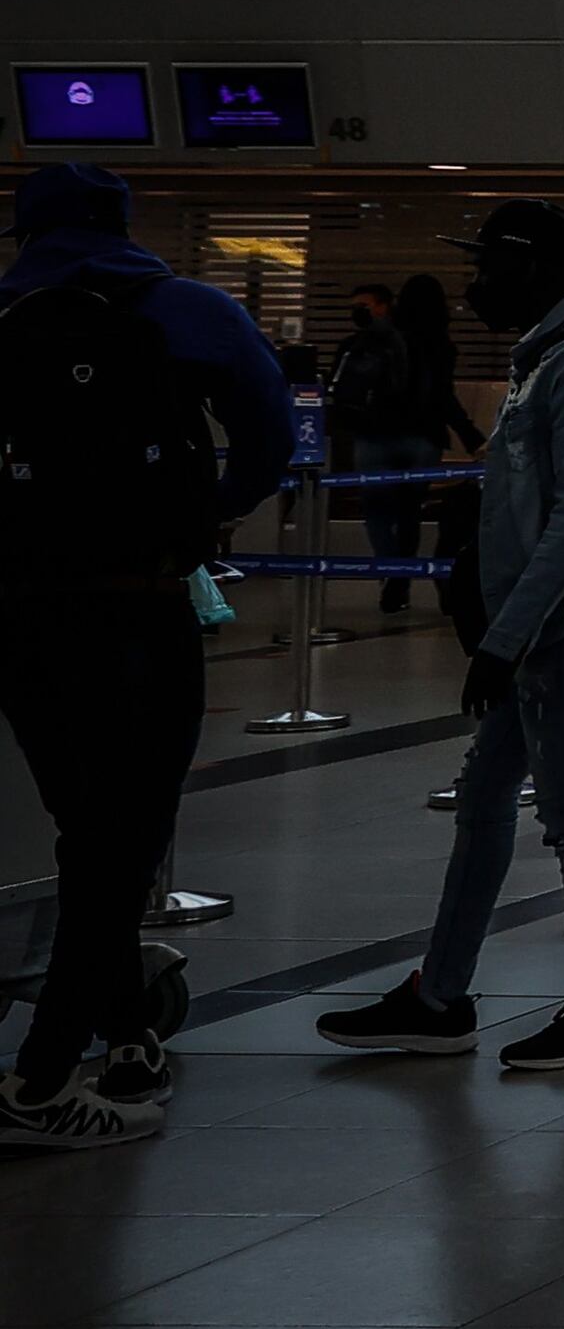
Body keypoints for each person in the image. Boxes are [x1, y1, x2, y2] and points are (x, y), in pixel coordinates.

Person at [317, 202, 564, 1072]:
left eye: (487, 269)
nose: (472, 287)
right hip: (539, 629)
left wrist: (504, 638)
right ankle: (440, 995)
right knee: (483, 800)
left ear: (534, 271)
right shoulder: (540, 361)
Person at [0, 163, 293, 1149]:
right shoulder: (187, 310)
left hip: (23, 620)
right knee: (125, 845)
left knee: (89, 833)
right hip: (141, 610)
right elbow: (269, 432)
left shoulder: (6, 317)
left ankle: (128, 1040)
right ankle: (38, 1080)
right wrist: (207, 510)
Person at [324, 275, 481, 615]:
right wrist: (471, 437)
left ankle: (392, 572)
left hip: (373, 434)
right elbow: (444, 397)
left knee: (377, 510)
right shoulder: (438, 344)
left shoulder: (369, 340)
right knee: (409, 510)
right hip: (421, 436)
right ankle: (402, 573)